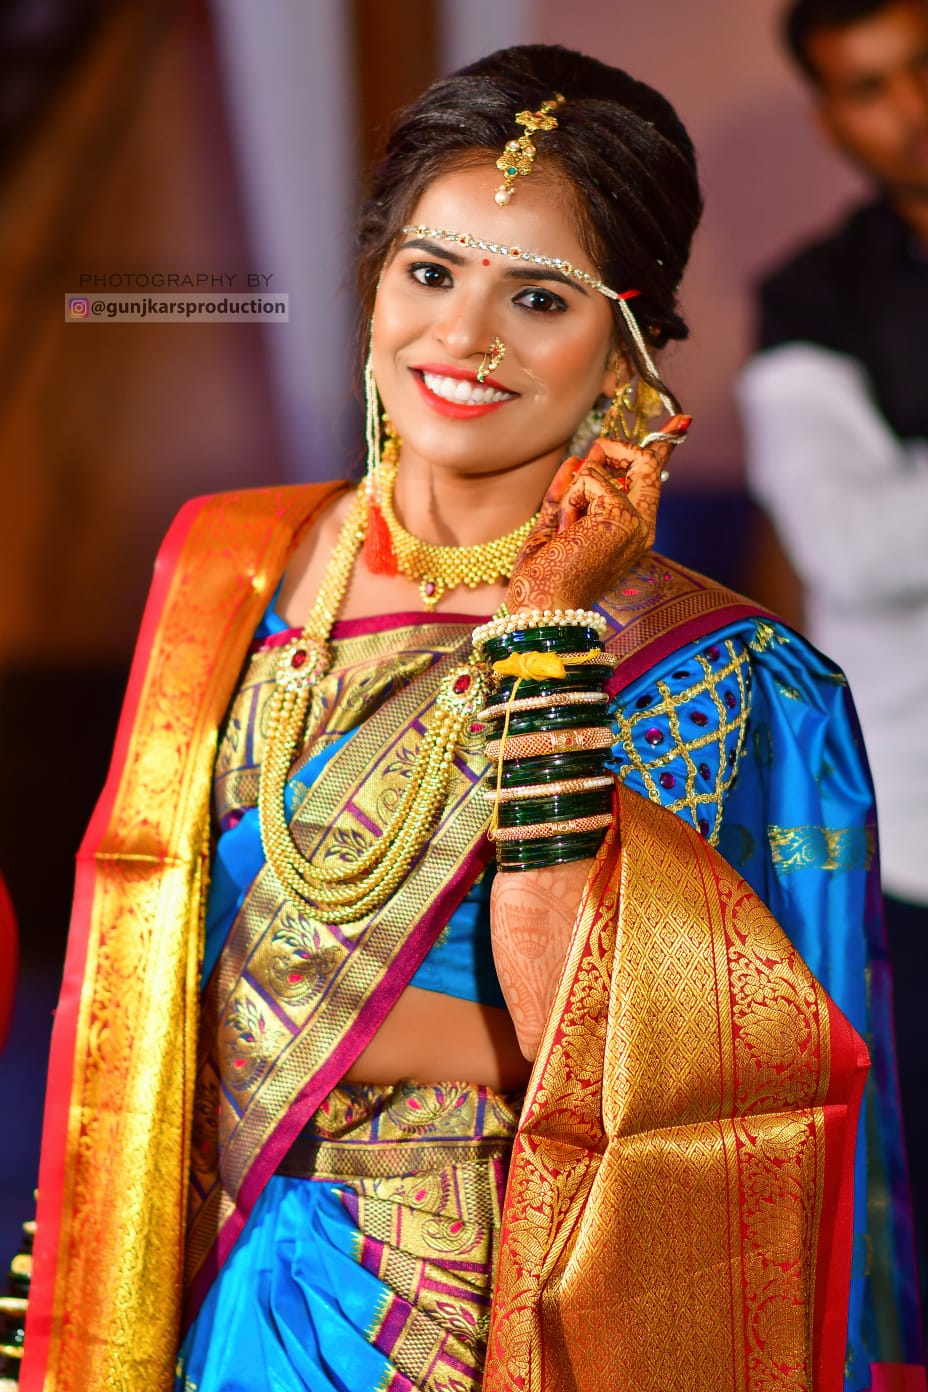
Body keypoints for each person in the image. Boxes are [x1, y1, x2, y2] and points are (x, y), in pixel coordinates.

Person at [20, 44, 920, 1392]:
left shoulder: (706, 670)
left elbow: (646, 1062)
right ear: (375, 277)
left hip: (467, 1299)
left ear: (626, 346)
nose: (464, 338)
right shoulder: (229, 566)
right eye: (430, 272)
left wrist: (551, 626)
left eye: (539, 297)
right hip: (189, 1258)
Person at [738, 0, 928, 1356]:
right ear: (830, 118)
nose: (911, 109)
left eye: (926, 66)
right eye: (869, 87)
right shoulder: (815, 298)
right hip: (916, 833)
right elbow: (850, 549)